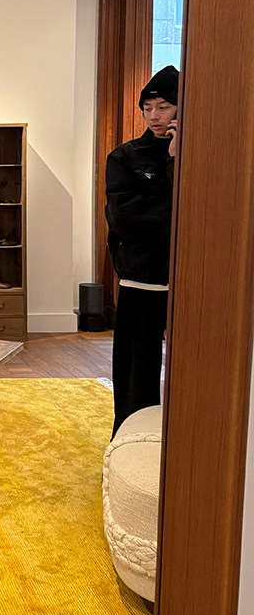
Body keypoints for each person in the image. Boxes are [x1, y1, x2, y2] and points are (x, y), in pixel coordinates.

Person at [105, 65, 179, 437]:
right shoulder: (125, 157)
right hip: (141, 278)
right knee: (136, 371)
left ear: (181, 108)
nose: (154, 115)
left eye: (163, 107)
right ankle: (129, 439)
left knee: (195, 370)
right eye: (147, 107)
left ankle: (182, 443)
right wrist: (171, 212)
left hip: (190, 280)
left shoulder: (199, 155)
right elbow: (125, 218)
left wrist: (175, 160)